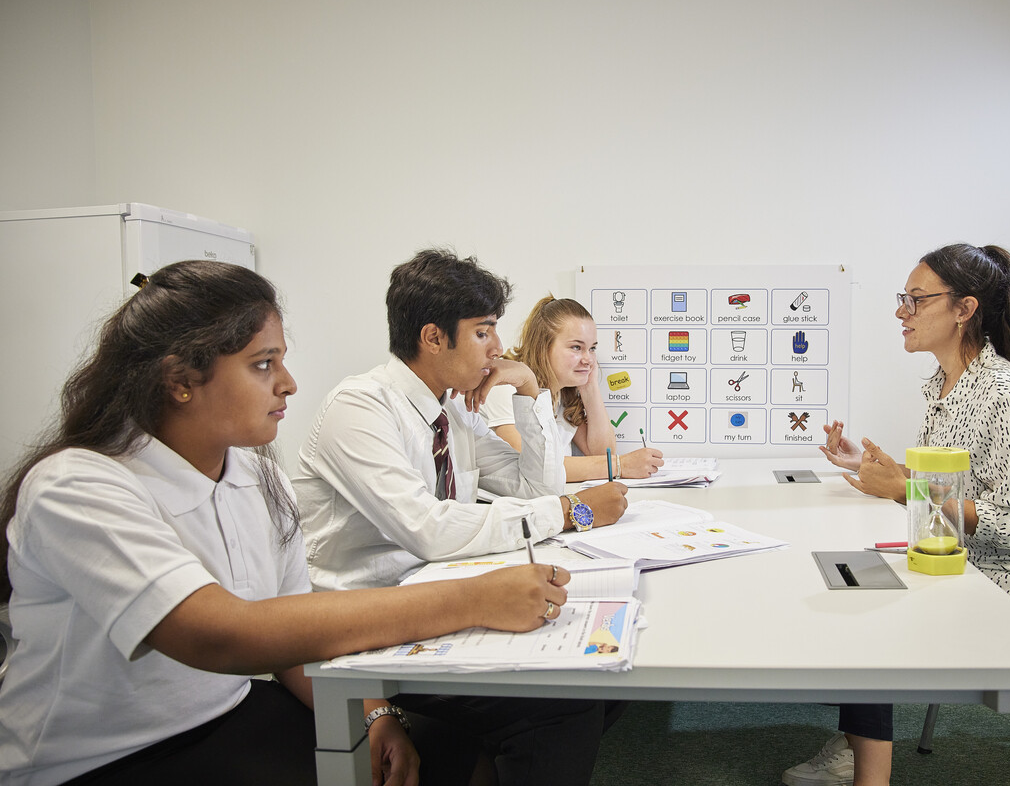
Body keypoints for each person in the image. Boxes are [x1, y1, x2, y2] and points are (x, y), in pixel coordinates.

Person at [0, 260, 596, 786]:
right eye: (264, 365)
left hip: (230, 705)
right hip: (103, 756)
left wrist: (374, 714)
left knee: (455, 752)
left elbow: (291, 619)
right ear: (180, 380)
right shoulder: (77, 485)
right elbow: (224, 634)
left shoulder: (252, 470)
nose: (288, 384)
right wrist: (472, 600)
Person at [782, 244, 1010, 786]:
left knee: (876, 618)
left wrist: (905, 489)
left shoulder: (1006, 392)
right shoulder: (943, 385)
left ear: (963, 309)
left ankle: (866, 772)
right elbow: (949, 484)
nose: (901, 311)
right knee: (858, 591)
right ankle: (859, 746)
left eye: (915, 299)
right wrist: (872, 465)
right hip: (970, 563)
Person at [293, 250, 629, 592]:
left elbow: (538, 490)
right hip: (366, 605)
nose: (498, 348)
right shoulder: (359, 408)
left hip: (438, 586)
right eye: (483, 333)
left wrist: (529, 386)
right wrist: (569, 511)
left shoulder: (453, 411)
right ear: (434, 338)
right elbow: (428, 530)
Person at [477, 295, 664, 482]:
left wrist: (589, 387)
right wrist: (619, 465)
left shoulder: (564, 391)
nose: (588, 358)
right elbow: (533, 466)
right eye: (576, 347)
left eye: (592, 348)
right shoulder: (506, 386)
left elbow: (600, 452)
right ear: (543, 347)